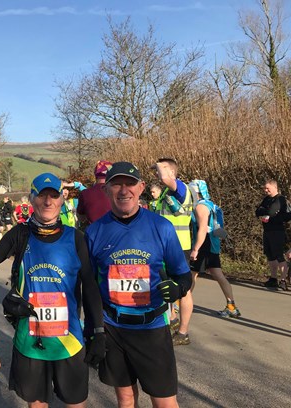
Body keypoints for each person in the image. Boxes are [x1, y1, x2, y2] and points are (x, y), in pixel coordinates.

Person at [0, 172, 105, 408]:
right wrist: (8, 301)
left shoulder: (76, 239)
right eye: (42, 195)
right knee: (37, 404)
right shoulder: (20, 234)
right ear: (32, 199)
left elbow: (91, 288)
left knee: (76, 403)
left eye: (53, 196)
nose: (48, 202)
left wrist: (98, 331)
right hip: (30, 343)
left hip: (69, 341)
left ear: (62, 200)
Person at [86, 162, 192, 408]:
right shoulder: (94, 232)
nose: (124, 190)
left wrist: (178, 289)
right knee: (125, 399)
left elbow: (182, 275)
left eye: (130, 183)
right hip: (113, 328)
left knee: (164, 401)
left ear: (141, 187)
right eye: (116, 184)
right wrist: (93, 331)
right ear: (106, 189)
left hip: (152, 328)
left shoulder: (161, 227)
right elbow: (89, 286)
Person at [152, 157, 194, 346]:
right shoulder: (166, 194)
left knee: (183, 291)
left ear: (171, 173)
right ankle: (172, 321)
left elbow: (166, 178)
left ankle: (183, 332)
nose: (157, 174)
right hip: (166, 247)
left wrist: (159, 165)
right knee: (168, 286)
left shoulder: (181, 189)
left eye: (161, 170)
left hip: (179, 247)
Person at [189, 180, 241, 317]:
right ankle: (231, 306)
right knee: (217, 274)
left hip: (204, 244)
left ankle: (180, 305)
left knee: (192, 275)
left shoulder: (200, 207)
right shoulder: (210, 204)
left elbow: (202, 229)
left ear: (195, 192)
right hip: (213, 244)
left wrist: (195, 249)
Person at [255, 180, 289, 290]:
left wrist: (266, 212)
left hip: (277, 231)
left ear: (274, 187)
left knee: (279, 255)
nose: (265, 190)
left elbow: (271, 212)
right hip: (267, 230)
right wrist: (264, 211)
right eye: (264, 188)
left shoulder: (280, 199)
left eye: (267, 188)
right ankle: (273, 278)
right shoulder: (266, 199)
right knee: (270, 255)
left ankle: (283, 280)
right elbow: (258, 211)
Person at [76, 160, 112, 227]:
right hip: (117, 234)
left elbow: (81, 218)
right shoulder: (118, 193)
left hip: (94, 234)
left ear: (95, 174)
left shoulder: (85, 194)